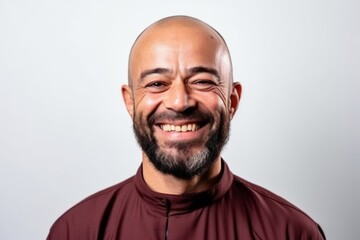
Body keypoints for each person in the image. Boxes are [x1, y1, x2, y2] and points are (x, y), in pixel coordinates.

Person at [47, 15, 326, 240]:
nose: (180, 102)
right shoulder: (76, 231)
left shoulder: (291, 233)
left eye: (203, 81)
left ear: (232, 100)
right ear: (130, 102)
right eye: (157, 84)